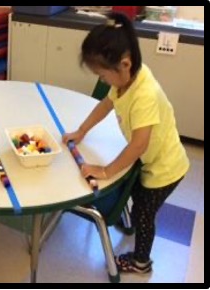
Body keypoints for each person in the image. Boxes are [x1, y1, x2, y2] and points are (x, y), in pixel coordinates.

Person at [62, 12, 190, 274]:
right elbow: (106, 104)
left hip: (165, 168)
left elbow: (138, 146)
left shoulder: (145, 94)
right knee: (135, 192)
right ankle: (129, 220)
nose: (102, 80)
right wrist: (82, 130)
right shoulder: (125, 80)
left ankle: (141, 262)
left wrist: (106, 170)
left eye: (103, 75)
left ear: (124, 64)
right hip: (151, 160)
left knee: (145, 212)